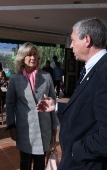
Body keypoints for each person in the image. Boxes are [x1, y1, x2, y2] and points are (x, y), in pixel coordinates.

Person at [37, 17, 107, 170]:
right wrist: (56, 108)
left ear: (87, 40)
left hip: (87, 163)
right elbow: (86, 110)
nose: (71, 45)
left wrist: (77, 150)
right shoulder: (93, 69)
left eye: (73, 40)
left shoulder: (104, 73)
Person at [6, 42, 59, 170]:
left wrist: (54, 126)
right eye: (29, 55)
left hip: (43, 127)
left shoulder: (46, 76)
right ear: (22, 58)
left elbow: (53, 102)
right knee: (25, 161)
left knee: (40, 162)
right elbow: (10, 104)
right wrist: (11, 125)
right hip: (25, 129)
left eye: (35, 54)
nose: (33, 58)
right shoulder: (15, 79)